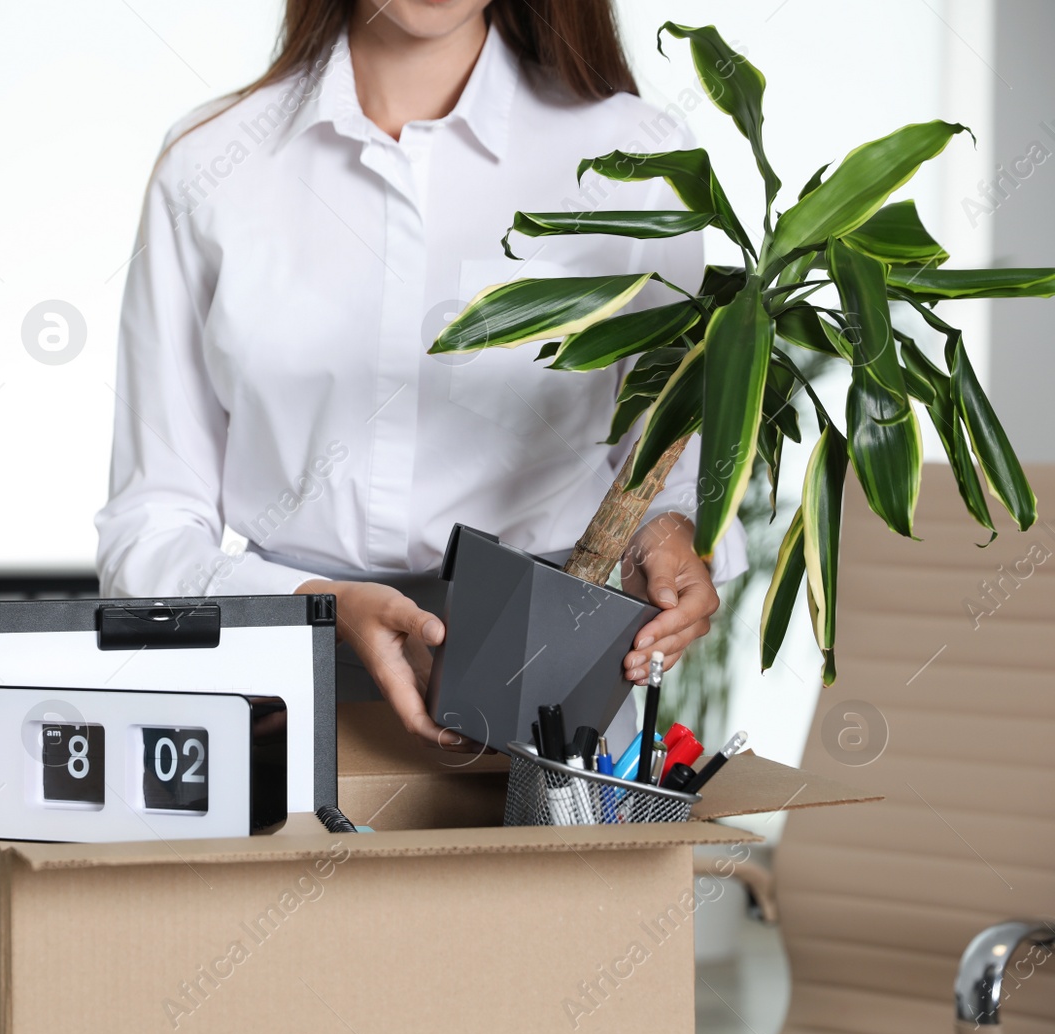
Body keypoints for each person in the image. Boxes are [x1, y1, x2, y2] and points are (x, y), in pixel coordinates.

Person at [96, 0, 742, 750]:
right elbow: (147, 532)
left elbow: (665, 464)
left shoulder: (635, 155)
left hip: (546, 702)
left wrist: (665, 545)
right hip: (280, 689)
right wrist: (317, 607)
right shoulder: (211, 165)